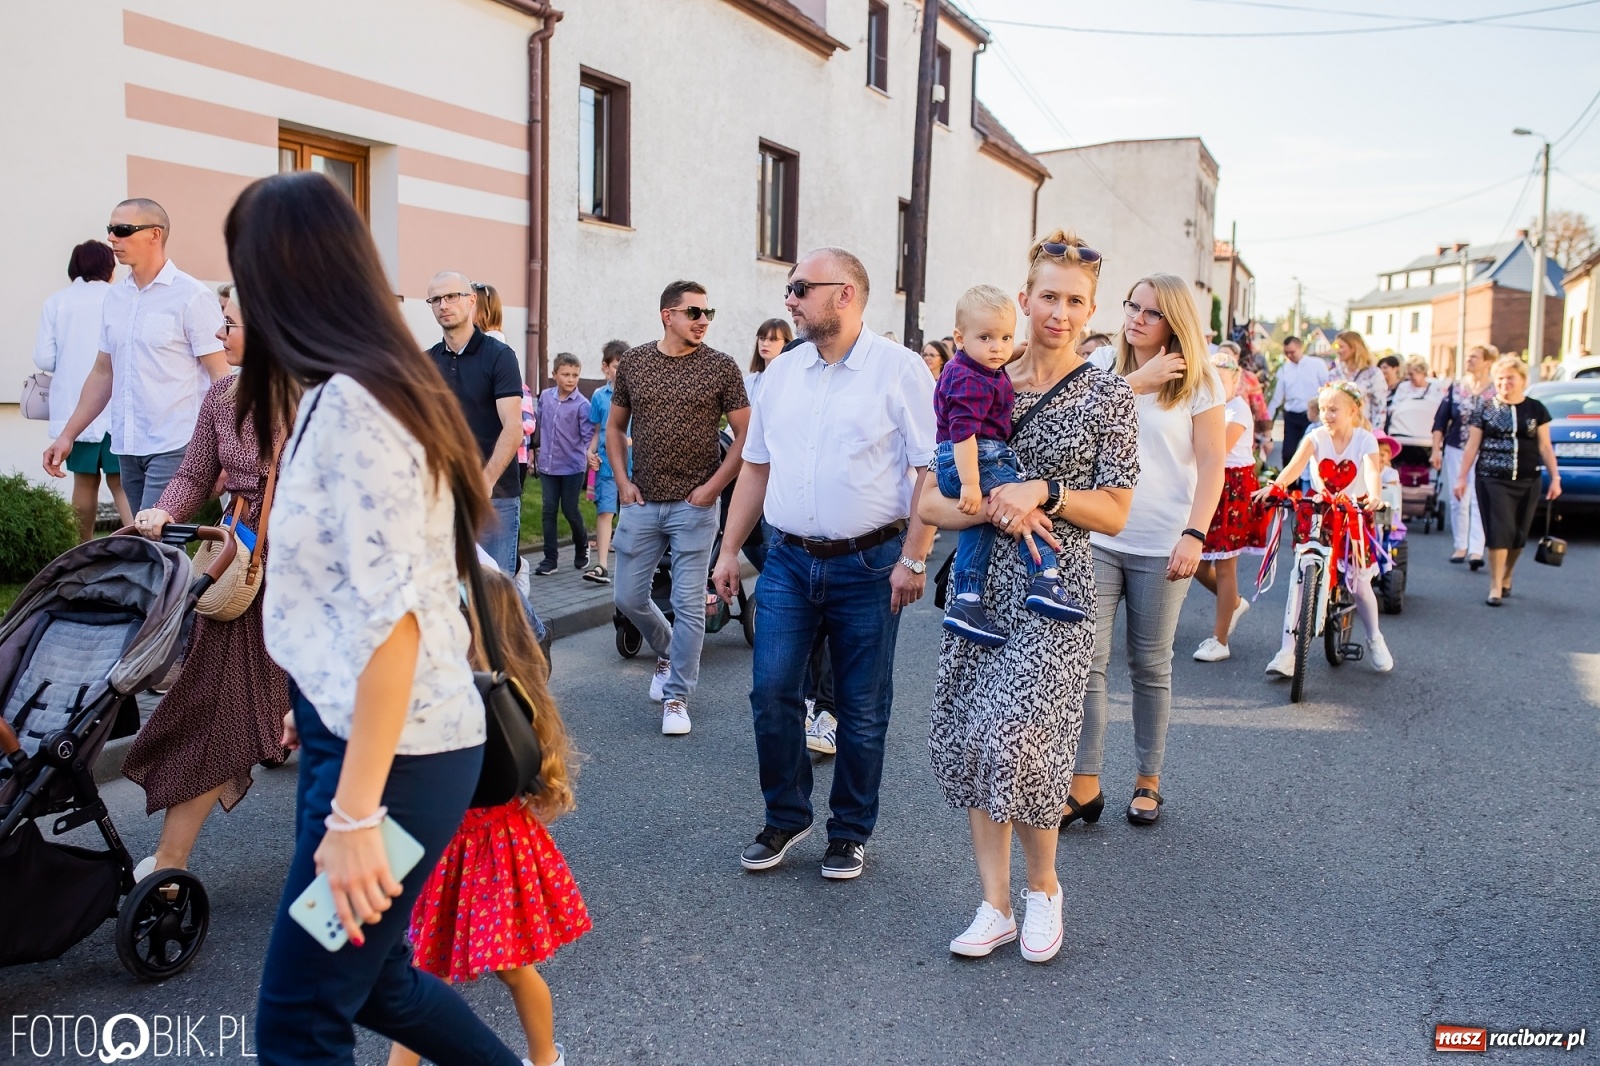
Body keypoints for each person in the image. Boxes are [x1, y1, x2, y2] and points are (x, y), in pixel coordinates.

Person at [236, 171, 523, 1065]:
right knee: (377, 985)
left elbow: (394, 620)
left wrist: (355, 815)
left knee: (299, 1018)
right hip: (374, 740)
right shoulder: (353, 388)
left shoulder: (361, 402)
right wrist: (319, 698)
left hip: (395, 766)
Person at [920, 232, 1137, 962]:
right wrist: (993, 505)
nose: (1059, 311)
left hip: (1058, 590)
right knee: (982, 738)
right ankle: (994, 905)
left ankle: (1044, 888)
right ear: (1025, 297)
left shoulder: (1108, 395)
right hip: (983, 589)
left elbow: (1115, 512)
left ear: (1091, 309)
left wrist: (1044, 490)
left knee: (1024, 741)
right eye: (1048, 295)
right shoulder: (980, 372)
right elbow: (928, 502)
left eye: (1075, 301)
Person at [712, 247, 935, 881]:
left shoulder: (898, 369)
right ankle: (786, 815)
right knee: (772, 691)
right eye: (789, 288)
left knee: (862, 707)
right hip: (786, 560)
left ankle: (849, 832)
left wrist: (914, 558)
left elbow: (928, 470)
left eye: (801, 288)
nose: (789, 299)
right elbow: (756, 465)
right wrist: (730, 550)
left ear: (845, 294)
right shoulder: (781, 373)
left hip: (870, 564)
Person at [123, 291, 292, 877]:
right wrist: (164, 513)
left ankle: (384, 857)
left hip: (300, 570)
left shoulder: (317, 399)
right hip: (238, 565)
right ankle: (171, 863)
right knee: (216, 704)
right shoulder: (223, 394)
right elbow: (194, 469)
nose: (220, 336)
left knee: (298, 713)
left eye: (230, 324)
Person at [390, 567, 587, 1066]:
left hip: (491, 848)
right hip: (446, 841)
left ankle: (545, 1058)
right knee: (419, 972)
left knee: (511, 967)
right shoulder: (443, 686)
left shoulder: (501, 699)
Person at [1071, 273, 1225, 828]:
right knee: (1087, 663)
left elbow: (1212, 464)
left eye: (1150, 312)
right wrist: (1139, 379)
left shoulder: (1200, 384)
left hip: (1164, 541)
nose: (1135, 318)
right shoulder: (1103, 372)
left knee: (1149, 664)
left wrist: (1195, 533)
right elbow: (1079, 420)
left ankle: (1147, 781)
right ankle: (1084, 784)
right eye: (1131, 306)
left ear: (1174, 323)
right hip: (1099, 535)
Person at [609, 281, 749, 736]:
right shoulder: (635, 363)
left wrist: (713, 488)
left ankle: (677, 697)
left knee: (690, 603)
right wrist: (624, 482)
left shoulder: (722, 367)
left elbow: (747, 436)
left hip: (695, 504)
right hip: (643, 501)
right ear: (668, 315)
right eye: (694, 312)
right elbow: (614, 428)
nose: (703, 319)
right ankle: (667, 652)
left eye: (709, 311)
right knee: (627, 597)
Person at [42, 198, 229, 511]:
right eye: (110, 229)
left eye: (123, 229)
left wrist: (226, 451)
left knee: (155, 543)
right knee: (149, 545)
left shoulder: (192, 296)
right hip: (127, 446)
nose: (112, 238)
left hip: (176, 444)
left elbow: (220, 377)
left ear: (154, 235)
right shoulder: (115, 297)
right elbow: (103, 372)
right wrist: (67, 435)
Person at [934, 284, 1085, 645]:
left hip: (974, 456)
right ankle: (1046, 576)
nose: (997, 347)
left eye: (1005, 337)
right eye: (985, 337)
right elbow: (963, 436)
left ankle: (966, 600)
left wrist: (1019, 346)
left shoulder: (983, 363)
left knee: (979, 527)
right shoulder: (968, 378)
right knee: (1022, 506)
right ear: (959, 337)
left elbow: (1006, 349)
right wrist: (972, 485)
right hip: (974, 456)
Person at [1255, 382, 1394, 675]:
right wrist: (1277, 486)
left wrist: (1374, 496)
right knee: (1300, 577)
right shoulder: (1315, 437)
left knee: (1359, 584)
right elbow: (1294, 467)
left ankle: (1374, 638)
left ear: (1353, 411)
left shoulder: (1365, 439)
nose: (1326, 415)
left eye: (1333, 409)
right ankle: (1287, 652)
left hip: (1353, 513)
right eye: (1322, 409)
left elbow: (1371, 471)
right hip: (1320, 512)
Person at [426, 271, 526, 577]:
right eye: (436, 299)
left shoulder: (499, 356)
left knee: (497, 592)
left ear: (471, 302)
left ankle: (532, 628)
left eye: (451, 296)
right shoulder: (427, 363)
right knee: (452, 591)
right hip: (445, 497)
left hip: (495, 496)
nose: (443, 304)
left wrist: (487, 479)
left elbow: (513, 426)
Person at [33, 239, 130, 541]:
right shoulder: (121, 297)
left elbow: (44, 358)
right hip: (117, 404)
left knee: (84, 483)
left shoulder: (57, 302)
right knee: (121, 483)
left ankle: (82, 552)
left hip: (77, 408)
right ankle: (148, 548)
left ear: (73, 268)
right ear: (110, 268)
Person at [1454, 355, 1560, 605]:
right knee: (1499, 530)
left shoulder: (1536, 409)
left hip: (1527, 478)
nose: (1504, 383)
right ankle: (1495, 585)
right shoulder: (1485, 408)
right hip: (1492, 478)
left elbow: (1545, 446)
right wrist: (1461, 478)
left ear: (1523, 380)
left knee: (1518, 533)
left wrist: (1555, 477)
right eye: (1500, 378)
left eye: (1510, 378)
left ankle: (1507, 575)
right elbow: (1472, 445)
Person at [1192, 349, 1266, 662]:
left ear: (1236, 381)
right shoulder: (1207, 406)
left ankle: (1220, 639)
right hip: (1208, 483)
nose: (1216, 386)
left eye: (1222, 380)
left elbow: (1217, 449)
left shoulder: (1237, 408)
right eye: (1211, 380)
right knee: (1194, 562)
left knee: (1225, 565)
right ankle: (1233, 603)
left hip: (1233, 486)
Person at [1432, 344, 1496, 567]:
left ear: (1488, 362)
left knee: (1479, 499)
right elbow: (1441, 420)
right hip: (1456, 447)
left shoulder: (1495, 390)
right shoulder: (1457, 387)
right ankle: (1460, 545)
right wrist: (1435, 449)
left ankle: (1477, 549)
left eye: (1474, 357)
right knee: (1458, 497)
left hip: (1485, 451)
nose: (1469, 360)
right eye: (1468, 356)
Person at [533, 353, 593, 576]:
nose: (571, 379)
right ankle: (550, 559)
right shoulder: (546, 397)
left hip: (572, 467)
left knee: (570, 509)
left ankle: (582, 545)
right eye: (566, 374)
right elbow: (539, 424)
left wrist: (591, 455)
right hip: (548, 465)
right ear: (554, 375)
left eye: (575, 375)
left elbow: (588, 436)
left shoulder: (582, 405)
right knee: (548, 511)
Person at [583, 340, 628, 583]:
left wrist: (629, 442)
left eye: (624, 366)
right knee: (605, 512)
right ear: (605, 367)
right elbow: (597, 430)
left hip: (633, 466)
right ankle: (601, 565)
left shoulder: (636, 393)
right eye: (616, 366)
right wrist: (589, 452)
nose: (620, 371)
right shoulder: (599, 396)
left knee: (631, 517)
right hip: (607, 466)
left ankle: (631, 568)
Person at [1267, 335, 1327, 470]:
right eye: (1286, 352)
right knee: (1288, 453)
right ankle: (1290, 487)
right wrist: (1268, 418)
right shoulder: (1283, 369)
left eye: (1292, 352)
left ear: (1300, 348)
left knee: (1313, 452)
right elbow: (1277, 397)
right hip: (1292, 416)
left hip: (1312, 415)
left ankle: (1307, 486)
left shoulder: (1317, 364)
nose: (1289, 355)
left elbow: (1326, 387)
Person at [1387, 356, 1444, 464]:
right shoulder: (1404, 387)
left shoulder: (1436, 387)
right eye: (1408, 374)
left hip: (1428, 435)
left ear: (1422, 373)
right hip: (1403, 434)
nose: (1410, 377)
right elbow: (1394, 408)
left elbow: (1441, 410)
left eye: (1412, 374)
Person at [1330, 330, 1384, 429]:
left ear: (1353, 348)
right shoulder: (1335, 373)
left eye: (1341, 347)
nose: (1338, 351)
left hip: (1364, 429)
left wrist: (1376, 434)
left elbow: (1379, 407)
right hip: (1338, 430)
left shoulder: (1373, 373)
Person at [747, 317, 794, 400]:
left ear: (786, 343)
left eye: (773, 339)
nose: (765, 344)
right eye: (762, 338)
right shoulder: (749, 382)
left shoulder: (791, 381)